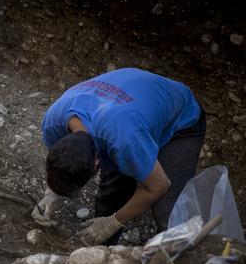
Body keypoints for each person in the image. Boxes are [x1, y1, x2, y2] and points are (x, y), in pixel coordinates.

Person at [32, 68, 206, 245]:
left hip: (181, 120)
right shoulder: (53, 124)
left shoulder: (124, 142)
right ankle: (103, 249)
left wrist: (111, 223)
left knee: (168, 212)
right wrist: (51, 193)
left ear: (97, 163)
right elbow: (61, 161)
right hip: (131, 106)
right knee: (113, 191)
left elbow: (159, 186)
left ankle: (177, 256)